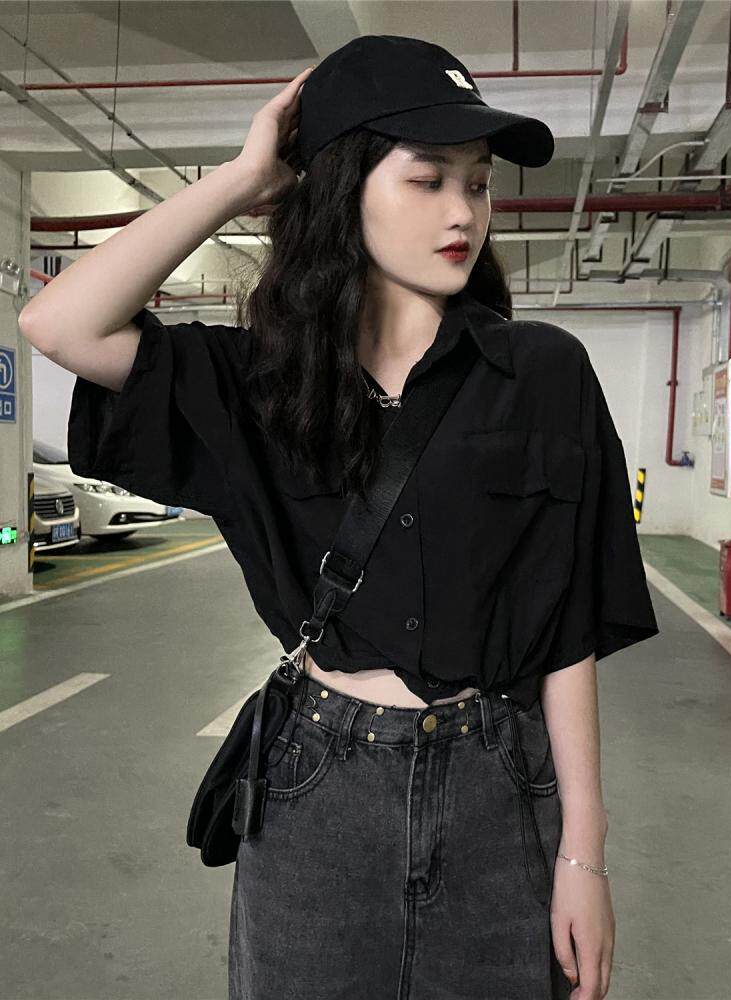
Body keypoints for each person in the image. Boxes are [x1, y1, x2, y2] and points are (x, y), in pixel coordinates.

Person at [20, 34, 659, 1000]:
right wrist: (245, 179)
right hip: (317, 788)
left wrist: (585, 853)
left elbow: (563, 632)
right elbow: (59, 324)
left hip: (499, 787)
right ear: (344, 190)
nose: (463, 212)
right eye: (427, 179)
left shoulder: (542, 374)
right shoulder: (260, 384)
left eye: (478, 183)